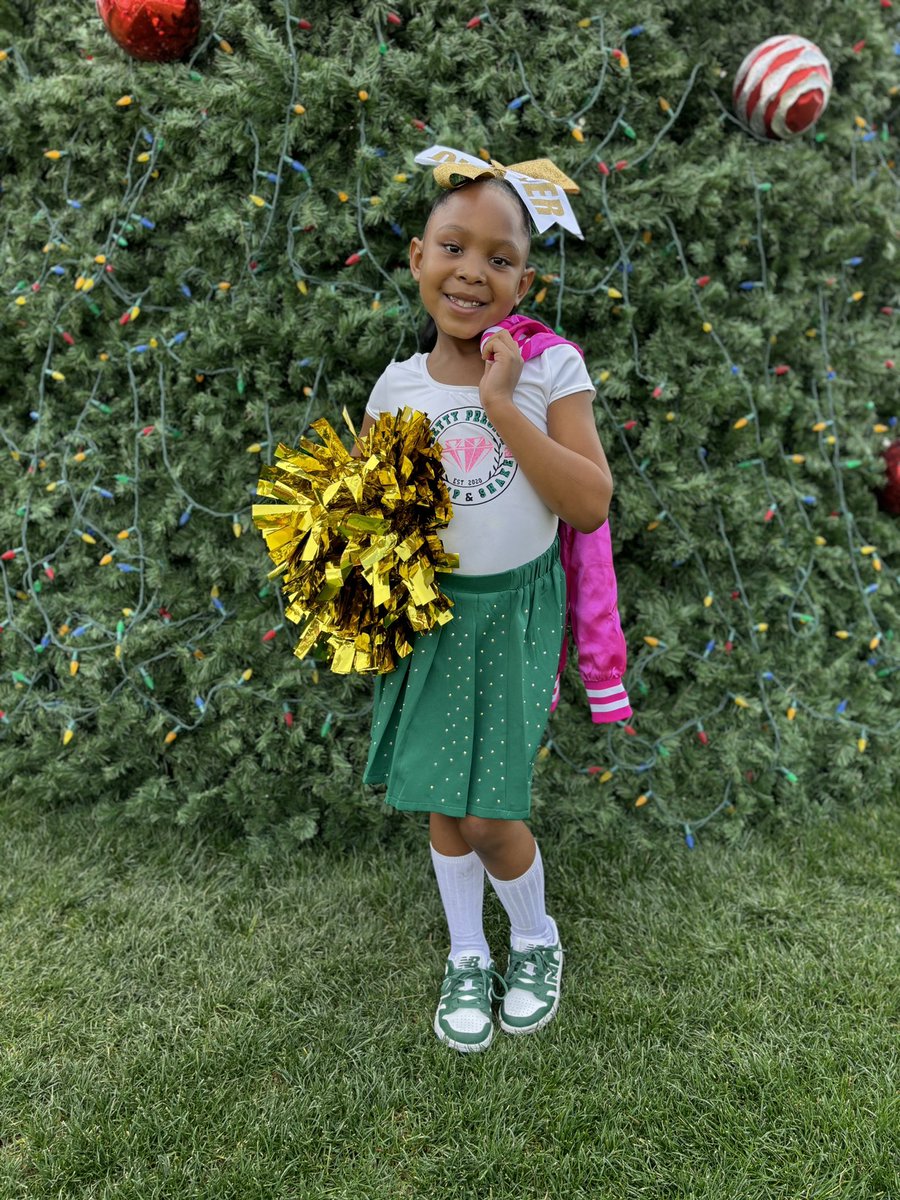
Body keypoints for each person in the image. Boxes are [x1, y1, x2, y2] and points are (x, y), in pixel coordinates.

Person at [355, 169, 613, 1052]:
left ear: (523, 283)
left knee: (487, 813)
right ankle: (468, 953)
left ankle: (536, 939)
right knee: (442, 800)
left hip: (514, 615)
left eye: (499, 259)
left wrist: (501, 405)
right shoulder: (395, 388)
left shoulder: (550, 369)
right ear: (417, 258)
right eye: (453, 248)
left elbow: (588, 504)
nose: (472, 271)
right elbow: (368, 515)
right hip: (431, 615)